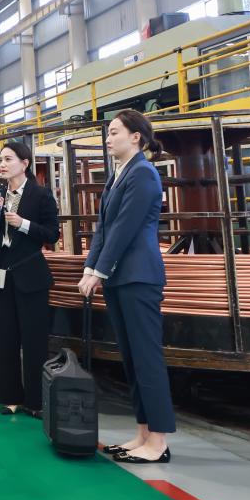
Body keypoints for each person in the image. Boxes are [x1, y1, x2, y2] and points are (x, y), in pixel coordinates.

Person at [78, 110, 174, 464]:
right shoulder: (119, 175)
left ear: (136, 137)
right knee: (132, 358)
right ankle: (143, 433)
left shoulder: (144, 173)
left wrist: (99, 273)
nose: (108, 138)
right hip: (120, 278)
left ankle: (158, 441)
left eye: (115, 132)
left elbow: (125, 229)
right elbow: (104, 228)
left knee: (147, 358)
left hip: (139, 277)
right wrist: (90, 268)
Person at [0, 142, 59, 418]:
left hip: (30, 275)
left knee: (34, 339)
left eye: (8, 159)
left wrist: (23, 224)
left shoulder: (41, 195)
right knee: (4, 337)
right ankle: (9, 396)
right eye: (0, 160)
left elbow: (52, 234)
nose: (2, 165)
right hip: (1, 275)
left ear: (25, 163)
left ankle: (36, 401)